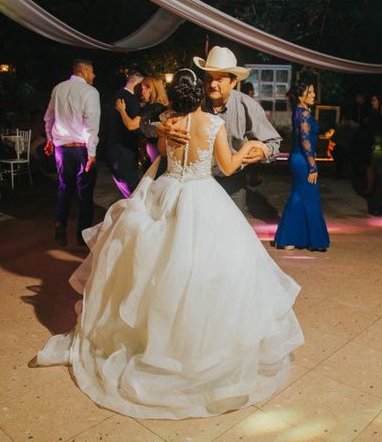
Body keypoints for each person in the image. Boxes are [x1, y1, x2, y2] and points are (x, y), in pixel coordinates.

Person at [34, 69, 304, 419]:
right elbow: (228, 163)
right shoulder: (213, 125)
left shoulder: (169, 122)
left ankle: (152, 337)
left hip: (168, 193)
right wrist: (248, 149)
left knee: (158, 268)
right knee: (203, 271)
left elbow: (160, 153)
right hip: (203, 195)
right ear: (200, 95)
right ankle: (197, 344)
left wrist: (164, 127)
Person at [158, 46, 281, 211]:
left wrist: (263, 151)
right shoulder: (193, 100)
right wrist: (159, 128)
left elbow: (274, 141)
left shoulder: (248, 106)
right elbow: (150, 120)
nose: (212, 84)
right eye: (209, 78)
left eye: (220, 79)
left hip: (232, 185)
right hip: (194, 188)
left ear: (233, 82)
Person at [44, 59, 100, 247]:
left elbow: (49, 117)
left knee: (64, 187)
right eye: (92, 71)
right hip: (82, 148)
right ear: (83, 71)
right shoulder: (90, 92)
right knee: (85, 192)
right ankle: (82, 234)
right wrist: (91, 153)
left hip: (62, 148)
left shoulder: (58, 88)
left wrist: (50, 139)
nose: (94, 75)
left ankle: (60, 226)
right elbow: (91, 125)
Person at [274, 80, 330, 251]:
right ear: (301, 96)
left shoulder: (300, 111)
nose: (314, 95)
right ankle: (298, 239)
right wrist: (313, 166)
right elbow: (305, 142)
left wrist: (322, 136)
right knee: (307, 197)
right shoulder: (303, 113)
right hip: (303, 160)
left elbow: (306, 137)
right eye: (310, 92)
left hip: (299, 158)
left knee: (301, 196)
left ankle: (292, 238)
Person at [116, 75, 169, 169]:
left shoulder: (151, 108)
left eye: (143, 88)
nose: (141, 92)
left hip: (155, 150)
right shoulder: (163, 106)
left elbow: (131, 125)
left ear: (151, 89)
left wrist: (122, 110)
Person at [107, 69, 144, 198]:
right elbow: (135, 127)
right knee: (133, 188)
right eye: (142, 85)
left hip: (113, 147)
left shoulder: (115, 96)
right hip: (126, 150)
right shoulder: (131, 100)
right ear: (137, 83)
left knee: (124, 188)